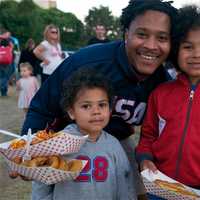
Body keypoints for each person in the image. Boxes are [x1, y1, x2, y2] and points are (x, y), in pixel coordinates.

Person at [21, 1, 178, 198]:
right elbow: (41, 108)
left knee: (135, 191)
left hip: (115, 145)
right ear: (125, 33)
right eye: (142, 34)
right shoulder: (86, 62)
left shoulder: (164, 84)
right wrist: (27, 155)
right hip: (68, 145)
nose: (151, 45)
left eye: (162, 37)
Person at [32, 67, 136, 200]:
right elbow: (42, 182)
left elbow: (125, 183)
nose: (96, 111)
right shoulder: (58, 143)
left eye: (102, 105)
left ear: (110, 109)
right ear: (71, 112)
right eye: (86, 106)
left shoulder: (114, 145)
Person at [136, 5, 200, 199]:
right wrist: (145, 159)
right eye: (188, 47)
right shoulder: (160, 93)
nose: (197, 54)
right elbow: (148, 136)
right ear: (175, 49)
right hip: (161, 186)